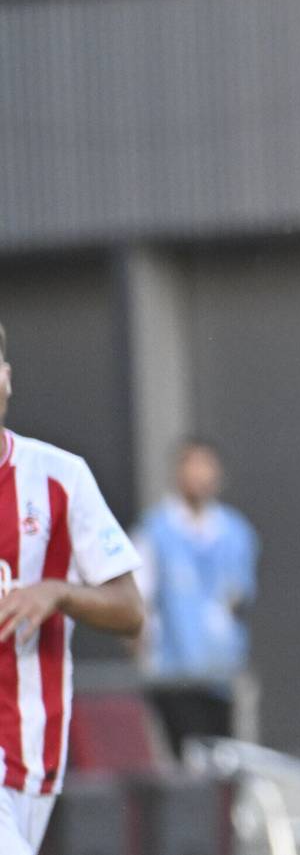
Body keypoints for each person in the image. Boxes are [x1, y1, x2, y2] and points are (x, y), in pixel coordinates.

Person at [0, 322, 147, 855]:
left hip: (32, 747)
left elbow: (130, 610)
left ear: (7, 378)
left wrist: (56, 593)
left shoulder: (61, 477)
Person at [135, 437, 259, 755]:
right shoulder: (155, 531)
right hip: (173, 676)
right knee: (186, 762)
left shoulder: (236, 532)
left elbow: (237, 598)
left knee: (227, 761)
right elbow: (138, 602)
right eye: (191, 465)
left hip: (220, 675)